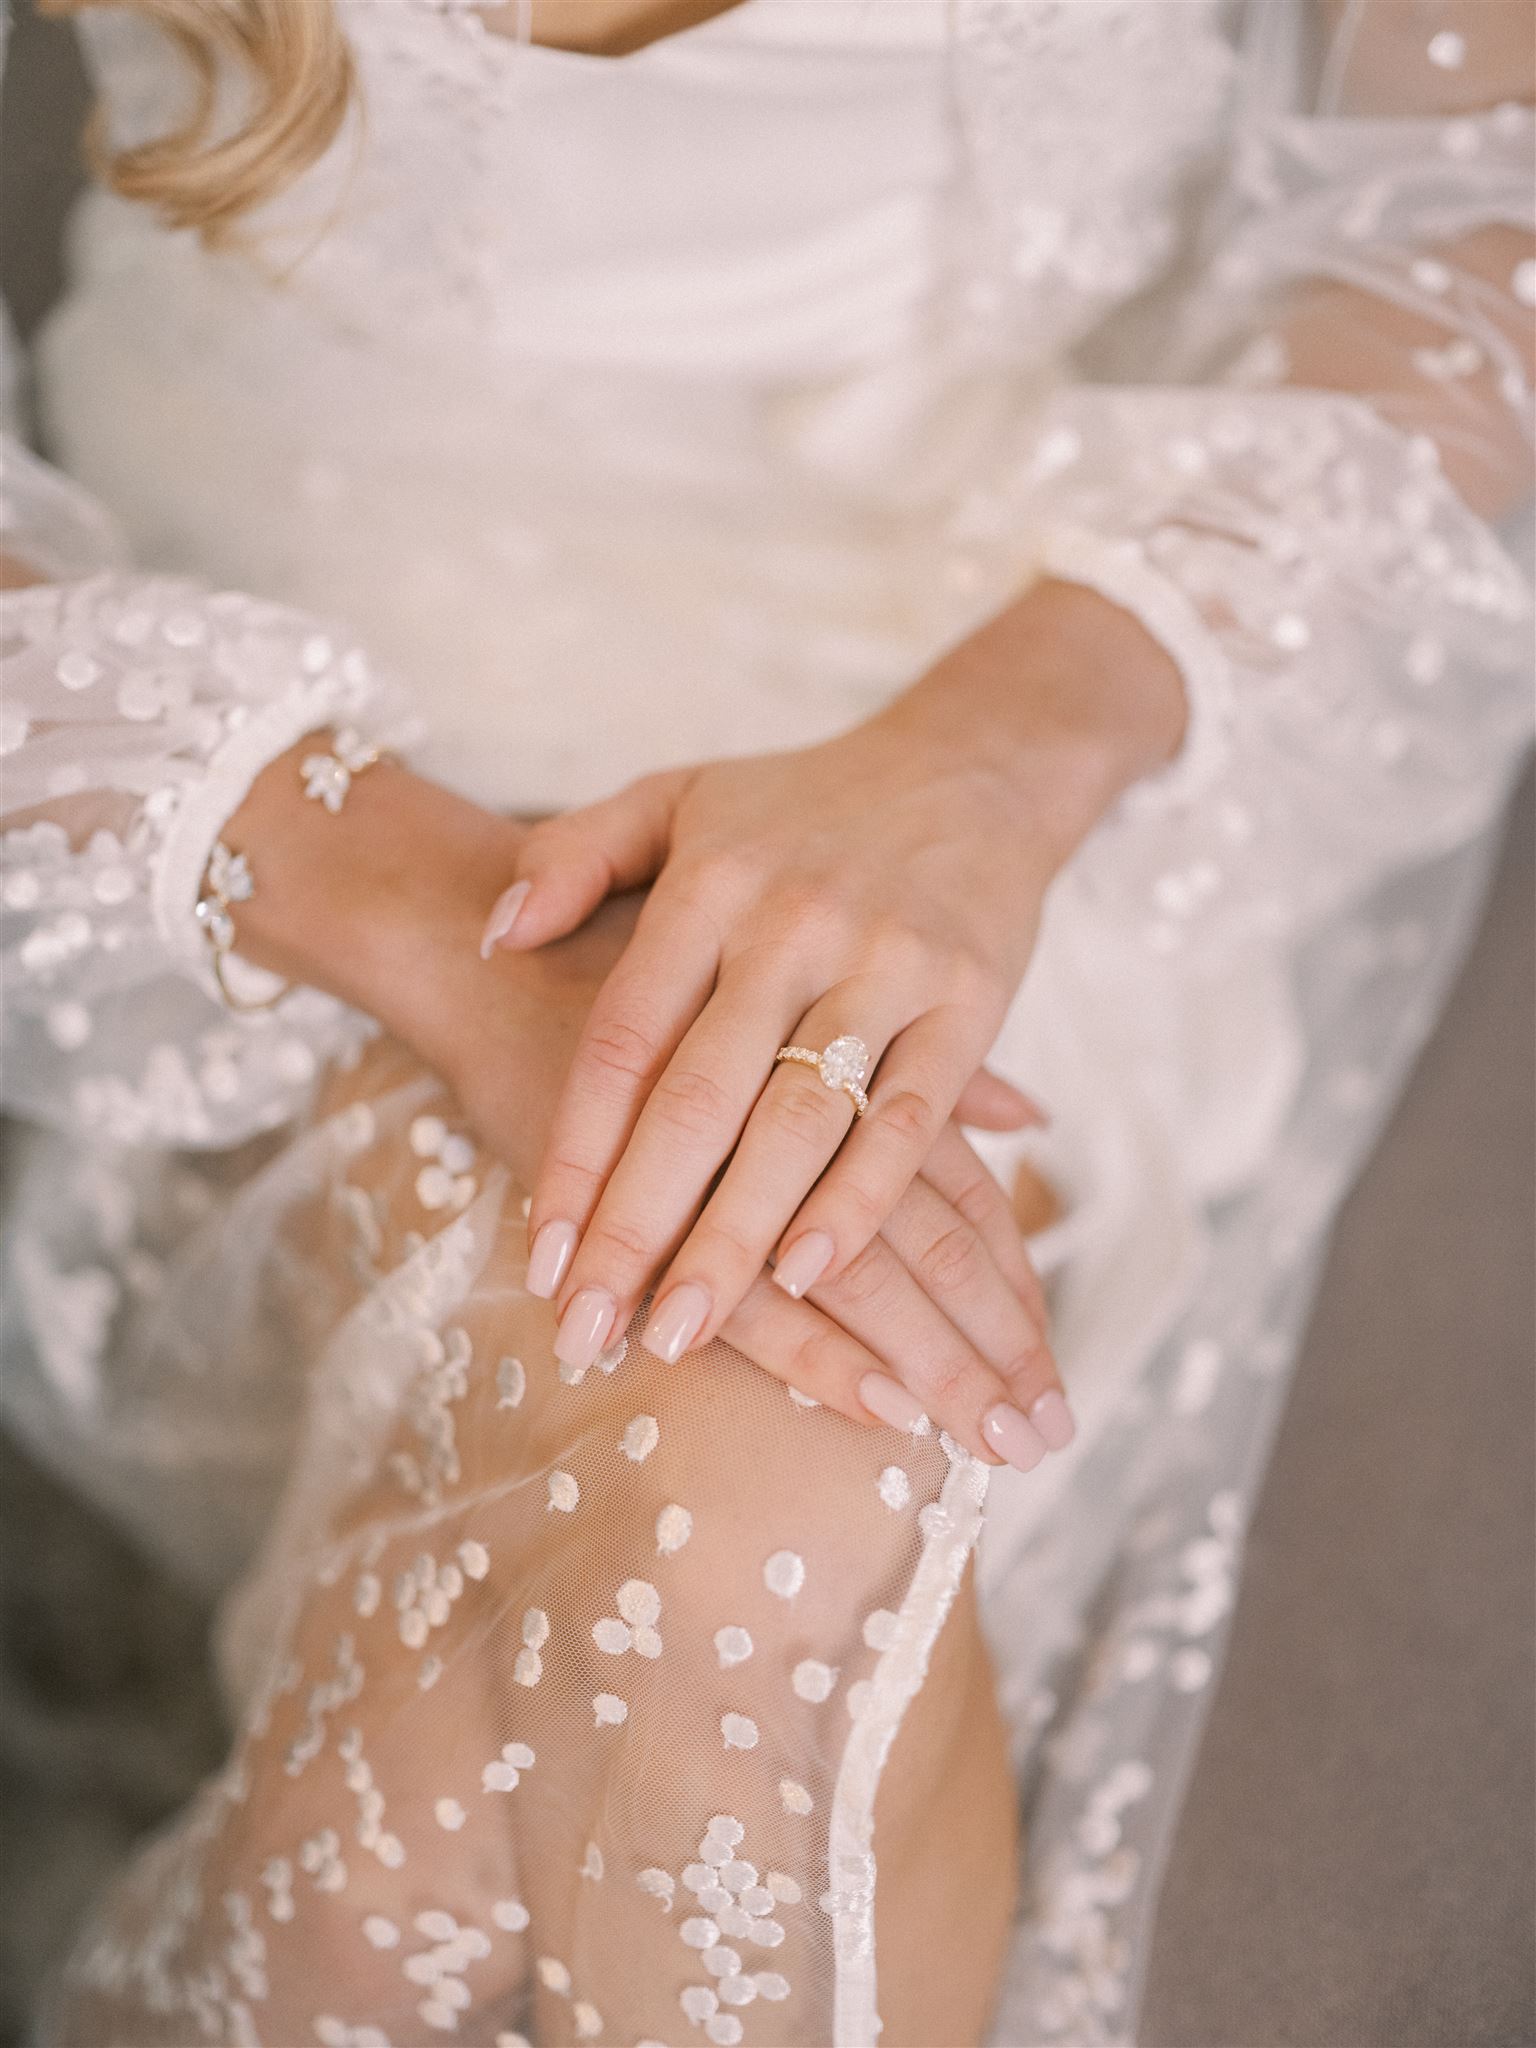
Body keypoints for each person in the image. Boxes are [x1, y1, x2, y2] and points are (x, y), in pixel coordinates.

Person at [1, 1, 1530, 2041]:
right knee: (783, 1484)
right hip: (259, 789)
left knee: (752, 1490)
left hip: (987, 751)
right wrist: (449, 918)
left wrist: (991, 760)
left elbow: (1455, 244)